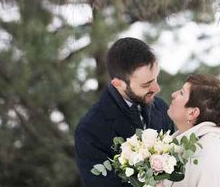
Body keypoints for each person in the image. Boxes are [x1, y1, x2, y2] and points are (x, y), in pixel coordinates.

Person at [75, 37, 175, 187]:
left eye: (155, 79)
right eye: (147, 84)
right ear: (118, 84)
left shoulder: (161, 109)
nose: (156, 88)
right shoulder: (90, 129)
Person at [163, 74, 220, 187]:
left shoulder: (213, 160)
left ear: (192, 113)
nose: (173, 94)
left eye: (181, 93)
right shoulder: (179, 147)